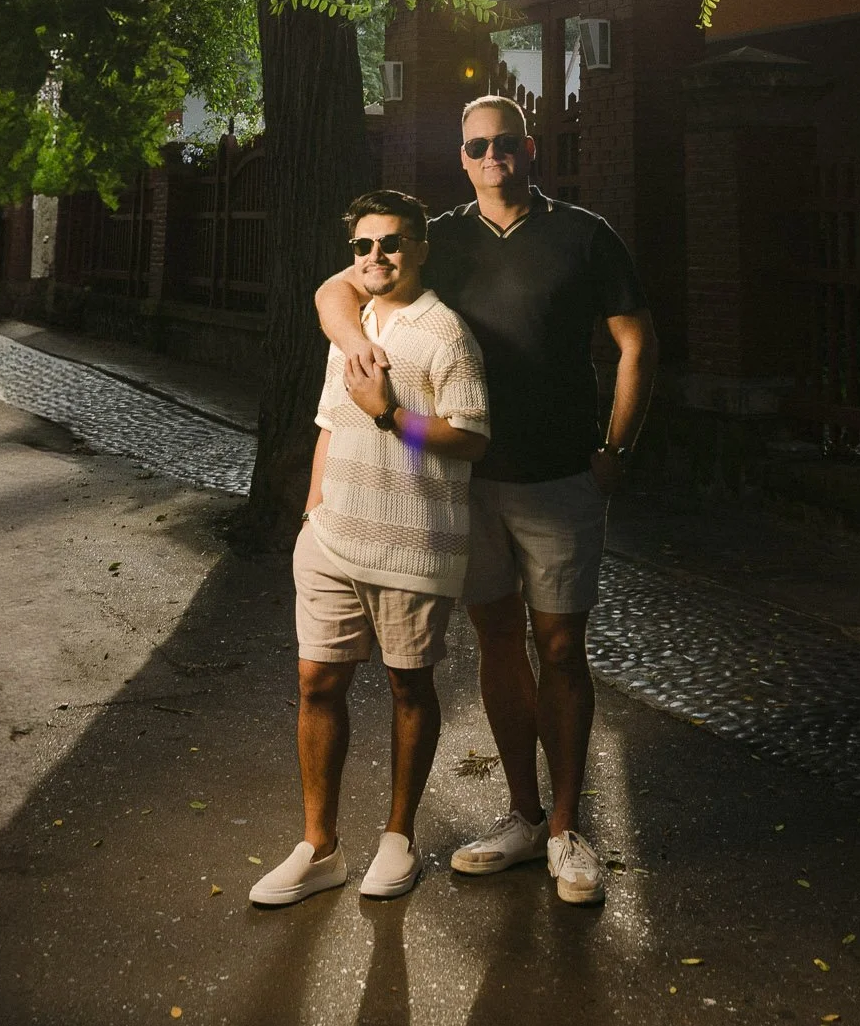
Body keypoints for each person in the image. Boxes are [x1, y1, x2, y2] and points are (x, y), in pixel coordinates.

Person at [315, 95, 657, 906]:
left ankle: (571, 831)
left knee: (563, 649)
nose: (492, 155)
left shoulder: (584, 233)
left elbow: (638, 343)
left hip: (561, 476)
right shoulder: (441, 236)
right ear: (461, 156)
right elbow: (335, 290)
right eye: (477, 146)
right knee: (496, 643)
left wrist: (617, 449)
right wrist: (360, 347)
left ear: (529, 148)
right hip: (463, 481)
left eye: (506, 142)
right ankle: (524, 816)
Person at [250, 189, 490, 908]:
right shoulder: (350, 321)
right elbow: (330, 418)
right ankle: (319, 847)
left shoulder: (445, 335)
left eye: (391, 243)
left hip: (415, 543)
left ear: (419, 248)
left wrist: (391, 416)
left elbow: (472, 437)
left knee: (408, 688)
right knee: (318, 685)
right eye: (364, 246)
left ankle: (397, 838)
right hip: (332, 539)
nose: (376, 256)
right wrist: (311, 511)